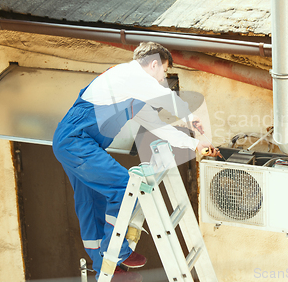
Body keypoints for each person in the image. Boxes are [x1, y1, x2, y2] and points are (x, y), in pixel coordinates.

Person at [52, 42, 216, 280]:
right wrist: (190, 116)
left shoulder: (133, 94)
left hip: (79, 143)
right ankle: (114, 251)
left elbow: (158, 125)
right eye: (164, 72)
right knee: (122, 187)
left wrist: (194, 144)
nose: (163, 79)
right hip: (75, 142)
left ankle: (105, 266)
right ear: (153, 64)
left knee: (90, 200)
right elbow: (163, 96)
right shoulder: (127, 74)